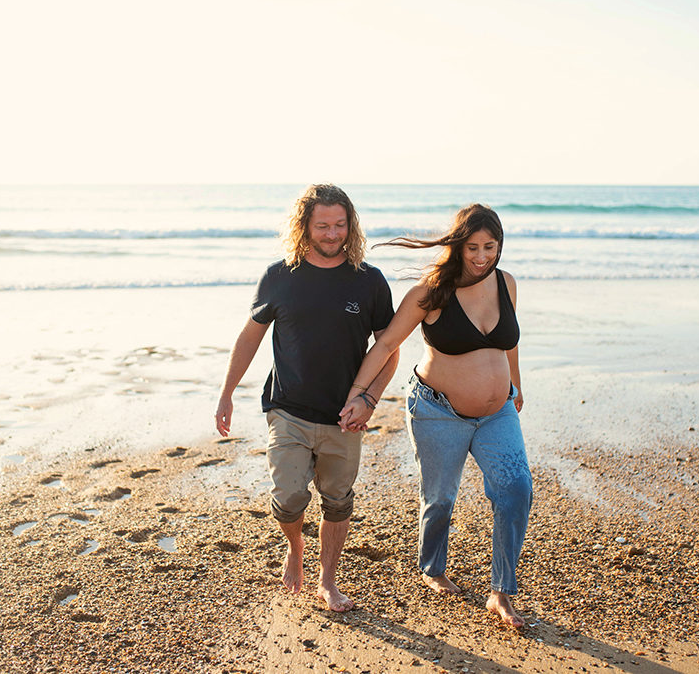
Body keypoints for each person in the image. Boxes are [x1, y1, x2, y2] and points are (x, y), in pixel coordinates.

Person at [338, 203, 532, 627]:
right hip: (436, 410)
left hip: (497, 412)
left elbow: (509, 341)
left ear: (500, 246)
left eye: (491, 247)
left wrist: (515, 385)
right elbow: (387, 343)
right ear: (458, 245)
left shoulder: (507, 284)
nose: (482, 256)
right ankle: (433, 569)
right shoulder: (432, 292)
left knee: (516, 489)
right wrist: (358, 394)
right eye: (474, 247)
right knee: (440, 498)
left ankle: (501, 592)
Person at [216, 184, 398, 612]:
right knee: (290, 496)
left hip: (344, 415)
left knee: (337, 501)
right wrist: (226, 393)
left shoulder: (369, 281)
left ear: (350, 225)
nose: (333, 234)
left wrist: (367, 400)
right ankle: (295, 548)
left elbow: (387, 350)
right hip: (289, 409)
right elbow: (249, 338)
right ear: (305, 227)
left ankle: (328, 581)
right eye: (323, 226)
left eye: (340, 225)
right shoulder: (280, 277)